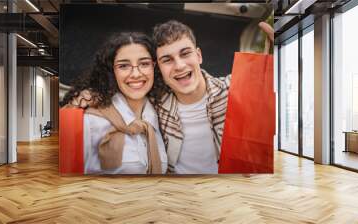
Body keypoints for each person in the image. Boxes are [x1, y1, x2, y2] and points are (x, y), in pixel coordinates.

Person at [69, 21, 274, 174]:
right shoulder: (157, 104)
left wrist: (276, 60)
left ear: (199, 56)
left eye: (185, 54)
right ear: (159, 68)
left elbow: (271, 89)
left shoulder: (236, 90)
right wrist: (86, 96)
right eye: (167, 59)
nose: (179, 65)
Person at [66, 32, 168, 174]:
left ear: (154, 67)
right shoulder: (90, 121)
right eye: (124, 66)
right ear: (111, 71)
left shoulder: (162, 117)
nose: (136, 74)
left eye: (144, 64)